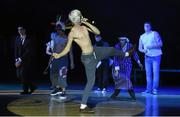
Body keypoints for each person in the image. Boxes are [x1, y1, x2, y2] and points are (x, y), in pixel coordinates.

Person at [53, 9, 136, 113]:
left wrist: (86, 22)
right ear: (76, 18)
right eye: (80, 16)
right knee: (91, 82)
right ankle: (83, 106)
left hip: (95, 51)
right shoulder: (72, 33)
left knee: (111, 49)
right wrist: (59, 54)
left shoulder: (84, 27)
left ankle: (127, 54)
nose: (81, 17)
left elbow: (98, 32)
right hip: (88, 58)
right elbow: (67, 48)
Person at [46, 20, 74, 99]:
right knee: (53, 74)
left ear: (63, 30)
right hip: (55, 58)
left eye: (59, 30)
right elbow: (54, 48)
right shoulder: (54, 36)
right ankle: (57, 88)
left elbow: (70, 51)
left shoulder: (67, 39)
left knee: (62, 75)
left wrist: (72, 62)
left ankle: (63, 91)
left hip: (63, 59)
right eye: (57, 30)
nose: (58, 31)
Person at [110, 37, 143, 101]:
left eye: (123, 40)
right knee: (118, 79)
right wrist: (116, 69)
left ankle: (132, 95)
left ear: (126, 40)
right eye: (120, 40)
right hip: (119, 65)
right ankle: (116, 92)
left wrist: (139, 62)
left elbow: (135, 54)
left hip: (127, 65)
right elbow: (115, 57)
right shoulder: (117, 46)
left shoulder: (130, 46)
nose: (121, 41)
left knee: (126, 79)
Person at [138, 22, 163, 95]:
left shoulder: (154, 33)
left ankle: (155, 89)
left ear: (150, 27)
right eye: (144, 26)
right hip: (147, 56)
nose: (146, 27)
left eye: (147, 26)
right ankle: (148, 89)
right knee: (148, 74)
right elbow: (140, 48)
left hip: (156, 55)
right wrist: (143, 50)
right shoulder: (142, 36)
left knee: (155, 73)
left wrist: (152, 46)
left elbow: (160, 44)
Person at [14, 26, 37, 94]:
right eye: (18, 30)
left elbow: (28, 51)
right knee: (19, 75)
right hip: (18, 60)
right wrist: (16, 60)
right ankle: (32, 86)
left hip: (26, 60)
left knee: (23, 75)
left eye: (21, 29)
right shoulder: (17, 39)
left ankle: (25, 90)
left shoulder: (29, 39)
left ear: (24, 30)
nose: (20, 31)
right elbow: (16, 50)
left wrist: (20, 59)